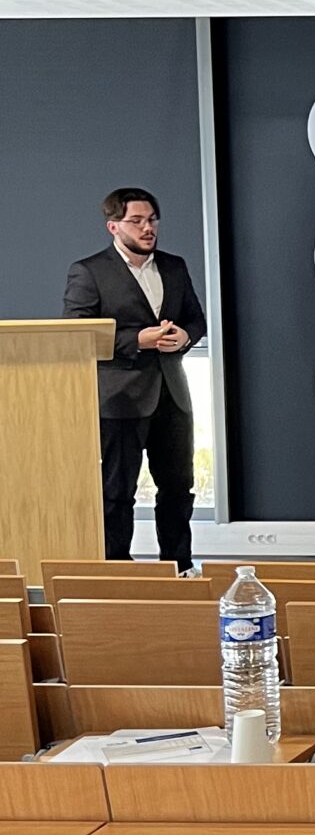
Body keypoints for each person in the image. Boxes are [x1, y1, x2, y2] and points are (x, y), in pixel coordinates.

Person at [63, 188, 207, 570]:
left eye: (152, 220)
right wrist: (135, 340)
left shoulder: (174, 266)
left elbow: (196, 318)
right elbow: (76, 331)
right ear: (113, 226)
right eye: (137, 221)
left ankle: (180, 566)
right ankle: (116, 570)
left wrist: (186, 336)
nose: (148, 228)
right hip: (119, 398)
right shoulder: (89, 271)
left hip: (172, 396)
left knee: (178, 488)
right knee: (117, 493)